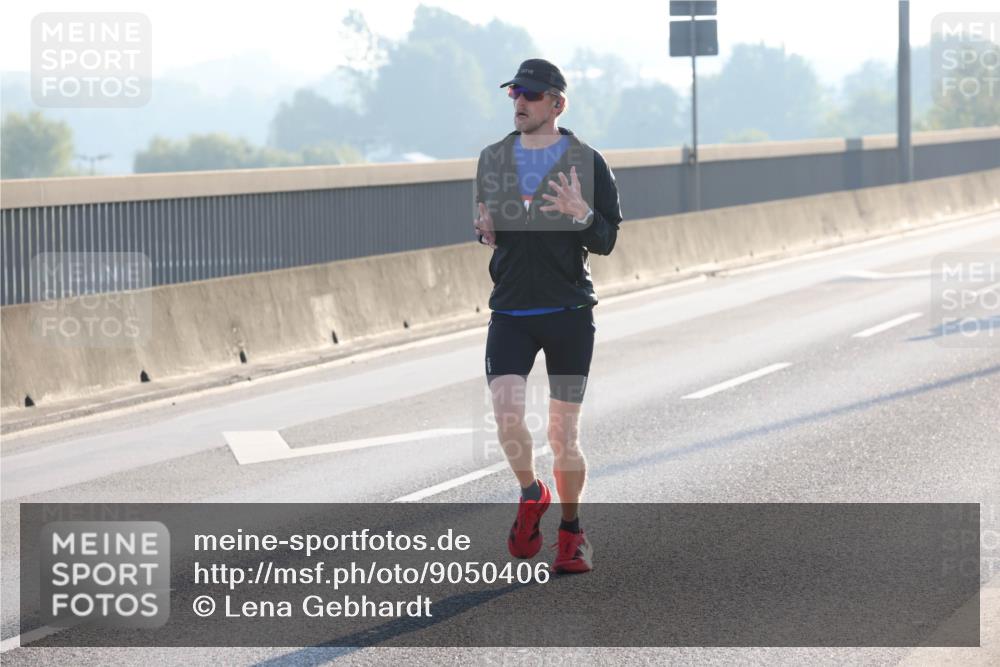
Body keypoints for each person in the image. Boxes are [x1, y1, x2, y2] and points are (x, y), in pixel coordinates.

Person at [473, 58, 623, 574]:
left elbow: (605, 239)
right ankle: (531, 491)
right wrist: (486, 228)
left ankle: (572, 532)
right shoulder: (493, 159)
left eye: (532, 95)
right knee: (507, 414)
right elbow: (490, 223)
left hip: (569, 312)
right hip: (511, 309)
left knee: (563, 435)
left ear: (557, 104)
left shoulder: (588, 161)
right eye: (515, 91)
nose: (520, 101)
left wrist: (581, 215)